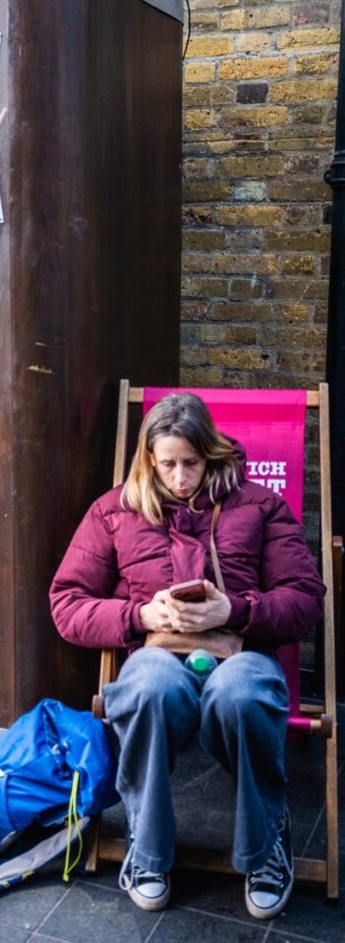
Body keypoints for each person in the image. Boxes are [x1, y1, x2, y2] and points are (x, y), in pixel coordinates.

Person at [49, 393, 324, 920]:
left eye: (191, 463)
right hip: (156, 657)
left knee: (241, 691)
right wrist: (139, 616)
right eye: (168, 464)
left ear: (211, 453)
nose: (180, 477)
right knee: (148, 684)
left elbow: (306, 598)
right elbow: (67, 604)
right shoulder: (114, 510)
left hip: (243, 655)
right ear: (149, 458)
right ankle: (148, 851)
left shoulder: (260, 505)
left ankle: (266, 844)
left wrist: (236, 609)